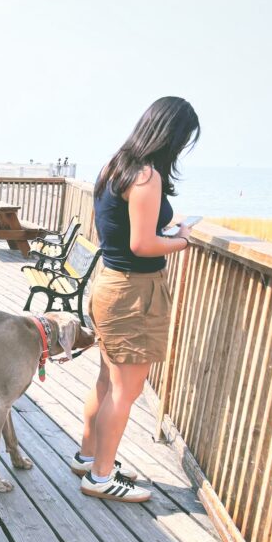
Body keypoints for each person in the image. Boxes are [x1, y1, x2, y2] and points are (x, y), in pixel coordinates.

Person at [73, 96, 200, 503]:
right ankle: (100, 476)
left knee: (108, 382)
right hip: (132, 294)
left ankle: (89, 457)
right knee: (125, 391)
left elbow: (123, 229)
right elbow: (142, 244)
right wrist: (183, 240)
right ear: (171, 136)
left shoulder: (117, 166)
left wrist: (166, 224)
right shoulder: (147, 176)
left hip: (110, 283)